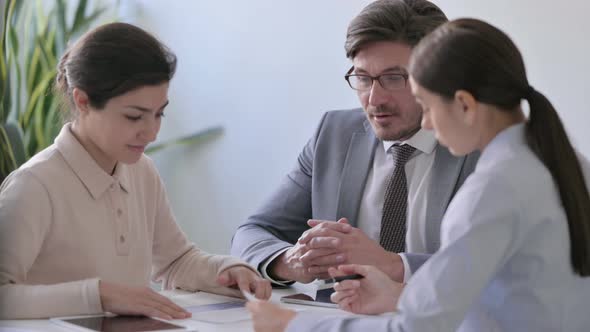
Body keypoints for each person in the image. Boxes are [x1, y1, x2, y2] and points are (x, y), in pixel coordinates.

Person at [246, 18, 590, 331]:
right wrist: (400, 296)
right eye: (362, 78)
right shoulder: (557, 162)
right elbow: (504, 290)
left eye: (426, 106)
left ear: (465, 105)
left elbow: (415, 328)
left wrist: (290, 327)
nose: (426, 124)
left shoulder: (491, 188)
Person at [0, 22, 271, 320]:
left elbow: (176, 261)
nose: (152, 132)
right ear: (83, 101)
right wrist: (100, 295)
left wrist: (227, 270)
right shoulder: (34, 185)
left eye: (159, 113)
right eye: (134, 116)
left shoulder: (142, 172)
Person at [231, 0, 479, 286]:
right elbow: (252, 232)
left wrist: (393, 265)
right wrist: (293, 261)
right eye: (362, 78)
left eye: (394, 78)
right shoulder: (334, 135)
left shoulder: (480, 144)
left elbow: (492, 267)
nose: (375, 99)